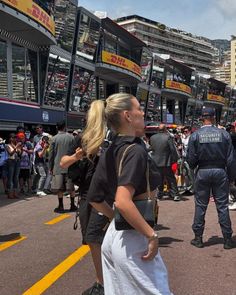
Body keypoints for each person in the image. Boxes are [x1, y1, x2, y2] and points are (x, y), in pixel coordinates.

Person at [87, 93, 173, 295]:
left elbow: (94, 198)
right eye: (138, 108)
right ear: (127, 116)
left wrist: (114, 216)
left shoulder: (111, 149)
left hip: (114, 236)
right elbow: (123, 201)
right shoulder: (135, 150)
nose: (142, 113)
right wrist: (151, 235)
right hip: (134, 237)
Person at [60, 102, 111, 295]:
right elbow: (63, 162)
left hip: (101, 195)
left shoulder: (111, 138)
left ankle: (103, 283)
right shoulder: (83, 138)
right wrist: (77, 156)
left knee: (95, 238)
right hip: (90, 194)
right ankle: (104, 280)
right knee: (95, 239)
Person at [186, 107, 235, 249]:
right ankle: (227, 239)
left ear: (202, 118)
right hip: (220, 172)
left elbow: (190, 160)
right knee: (222, 206)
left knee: (200, 205)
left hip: (202, 171)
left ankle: (198, 238)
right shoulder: (224, 134)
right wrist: (231, 177)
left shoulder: (195, 135)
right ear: (214, 117)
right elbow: (231, 159)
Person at [49, 120, 76, 213]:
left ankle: (61, 206)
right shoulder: (71, 137)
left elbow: (51, 154)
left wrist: (50, 167)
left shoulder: (54, 139)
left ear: (57, 127)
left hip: (58, 166)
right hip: (70, 166)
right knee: (71, 187)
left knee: (59, 188)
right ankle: (72, 205)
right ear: (65, 127)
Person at [149, 124, 181, 201]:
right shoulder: (168, 137)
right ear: (165, 129)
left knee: (159, 179)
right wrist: (176, 159)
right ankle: (175, 194)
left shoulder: (152, 137)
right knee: (171, 179)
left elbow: (151, 148)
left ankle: (159, 195)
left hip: (156, 161)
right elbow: (172, 149)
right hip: (166, 161)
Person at [5, 133, 23, 199]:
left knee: (16, 178)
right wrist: (16, 147)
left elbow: (20, 154)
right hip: (11, 162)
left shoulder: (17, 145)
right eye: (13, 137)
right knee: (10, 177)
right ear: (10, 138)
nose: (15, 139)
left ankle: (15, 193)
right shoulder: (7, 145)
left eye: (15, 137)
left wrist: (20, 148)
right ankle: (10, 193)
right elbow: (10, 153)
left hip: (17, 162)